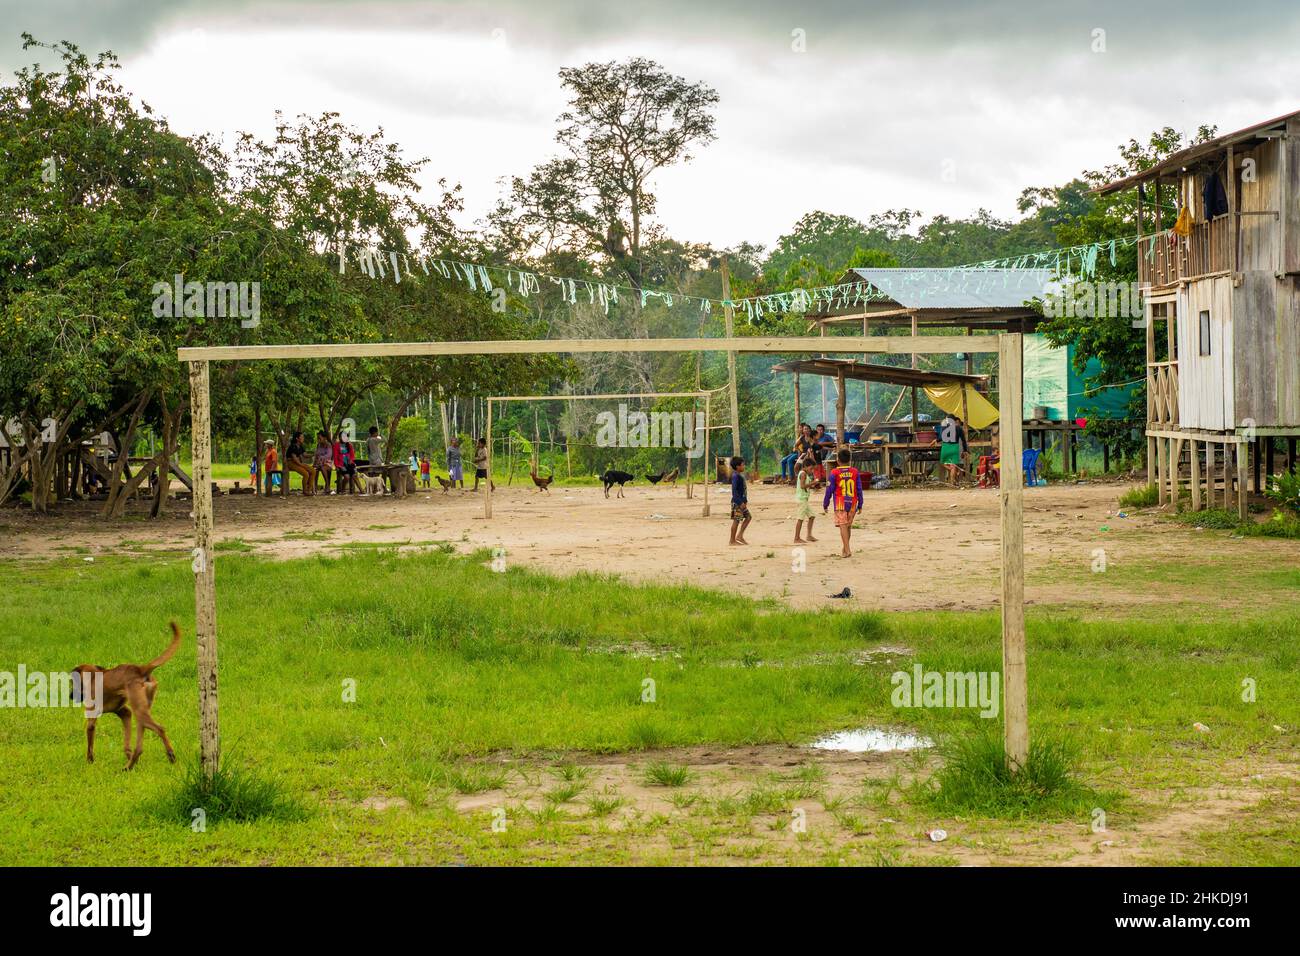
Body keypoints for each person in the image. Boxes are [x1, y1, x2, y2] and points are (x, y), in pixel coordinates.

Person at [822, 448, 863, 558]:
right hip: (853, 502)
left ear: (837, 460)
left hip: (840, 502)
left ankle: (847, 549)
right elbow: (859, 489)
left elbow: (829, 489)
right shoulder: (855, 472)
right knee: (848, 526)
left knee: (843, 526)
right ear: (849, 460)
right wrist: (860, 504)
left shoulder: (834, 472)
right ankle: (845, 549)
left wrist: (825, 504)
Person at [936, 414, 967, 485]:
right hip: (954, 447)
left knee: (943, 463)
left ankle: (952, 473)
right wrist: (965, 450)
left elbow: (941, 437)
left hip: (946, 447)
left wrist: (936, 440)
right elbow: (963, 440)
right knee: (953, 466)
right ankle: (953, 481)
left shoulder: (944, 427)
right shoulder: (959, 428)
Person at [793, 456, 818, 543]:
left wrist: (813, 484)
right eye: (811, 469)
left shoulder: (805, 474)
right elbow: (802, 486)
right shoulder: (803, 474)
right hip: (801, 500)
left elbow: (806, 485)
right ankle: (796, 538)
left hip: (804, 500)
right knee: (800, 519)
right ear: (806, 466)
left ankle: (809, 535)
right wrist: (813, 483)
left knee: (812, 516)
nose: (812, 471)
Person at [728, 455, 751, 546]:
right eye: (742, 465)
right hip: (737, 503)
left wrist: (745, 500)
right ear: (738, 466)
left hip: (741, 502)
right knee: (736, 520)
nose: (744, 466)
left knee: (748, 517)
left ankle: (740, 536)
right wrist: (740, 502)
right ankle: (732, 540)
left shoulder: (739, 476)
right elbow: (734, 491)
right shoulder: (735, 476)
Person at [285, 431, 315, 496]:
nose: (303, 438)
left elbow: (304, 454)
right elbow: (294, 458)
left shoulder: (300, 446)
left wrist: (313, 454)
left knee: (313, 471)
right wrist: (301, 465)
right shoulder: (293, 446)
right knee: (306, 474)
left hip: (298, 462)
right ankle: (305, 491)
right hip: (291, 463)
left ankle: (308, 490)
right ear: (297, 439)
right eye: (302, 437)